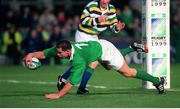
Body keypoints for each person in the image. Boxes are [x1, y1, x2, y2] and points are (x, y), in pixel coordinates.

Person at [23, 40, 165, 100]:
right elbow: (44, 53)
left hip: (105, 50)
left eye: (60, 53)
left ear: (67, 52)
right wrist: (31, 55)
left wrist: (58, 95)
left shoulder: (78, 61)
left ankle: (158, 81)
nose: (58, 55)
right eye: (58, 52)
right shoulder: (63, 47)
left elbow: (72, 82)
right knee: (108, 67)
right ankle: (132, 47)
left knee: (128, 73)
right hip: (97, 48)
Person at [58, 0, 128, 94]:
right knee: (89, 62)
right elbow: (82, 20)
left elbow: (113, 26)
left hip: (94, 36)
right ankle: (79, 87)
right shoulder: (91, 6)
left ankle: (67, 80)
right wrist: (97, 20)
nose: (104, 1)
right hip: (83, 34)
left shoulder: (112, 9)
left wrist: (117, 28)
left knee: (91, 62)